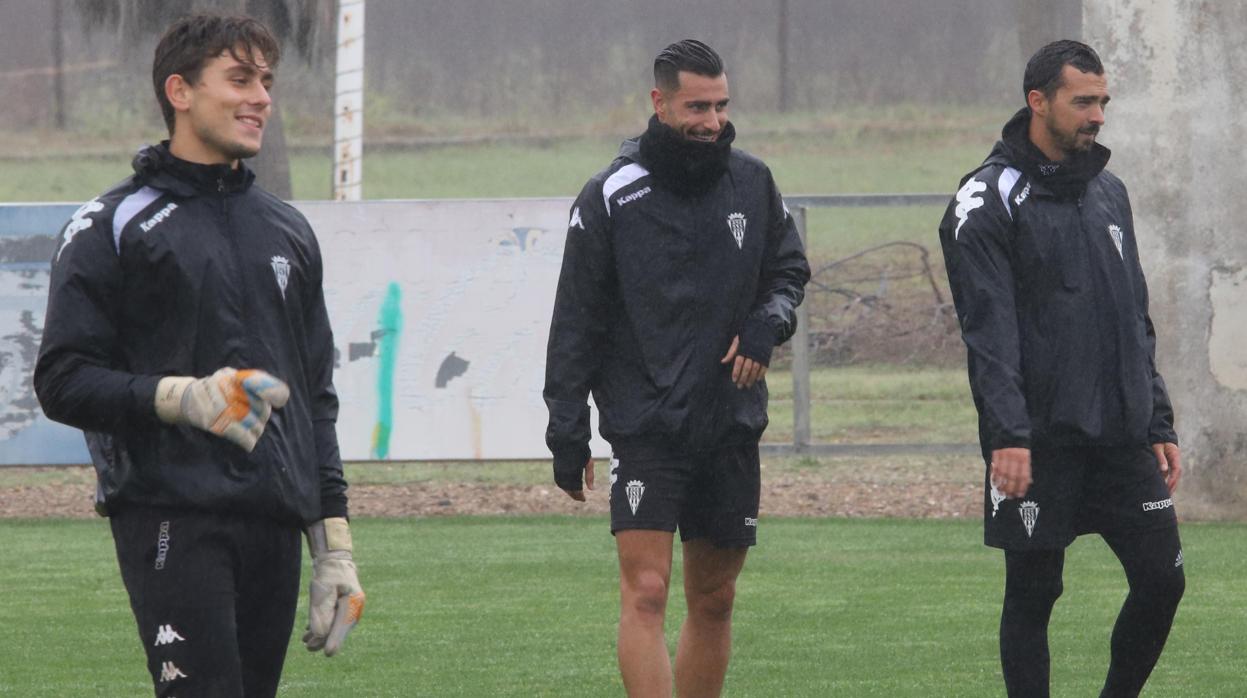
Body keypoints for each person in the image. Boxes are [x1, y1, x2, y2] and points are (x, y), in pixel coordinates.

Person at [34, 14, 363, 697]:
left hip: (272, 523)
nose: (262, 97)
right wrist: (185, 398)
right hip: (169, 516)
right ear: (179, 92)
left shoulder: (287, 228)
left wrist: (334, 547)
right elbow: (63, 381)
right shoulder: (112, 225)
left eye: (267, 82)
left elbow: (314, 400)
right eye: (239, 79)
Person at [543, 39, 810, 697]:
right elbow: (576, 319)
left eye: (720, 106)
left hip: (729, 419)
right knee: (647, 590)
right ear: (658, 102)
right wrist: (566, 428)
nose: (711, 122)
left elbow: (788, 272)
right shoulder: (610, 194)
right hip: (646, 425)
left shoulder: (751, 180)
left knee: (715, 596)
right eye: (696, 106)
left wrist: (764, 324)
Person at [938, 40, 1184, 697]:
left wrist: (1156, 418)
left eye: (1102, 101)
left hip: (1122, 433)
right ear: (1037, 102)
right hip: (1038, 438)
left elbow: (1134, 313)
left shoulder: (1109, 192)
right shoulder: (985, 199)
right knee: (1034, 589)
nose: (1097, 114)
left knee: (1163, 579)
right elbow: (987, 333)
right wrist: (1007, 435)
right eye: (1083, 101)